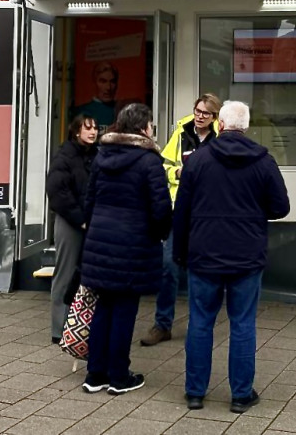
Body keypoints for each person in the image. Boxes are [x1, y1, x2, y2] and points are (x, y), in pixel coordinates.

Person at [173, 100, 290, 413]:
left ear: (219, 125)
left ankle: (195, 392)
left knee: (200, 322)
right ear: (246, 127)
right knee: (242, 324)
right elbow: (281, 207)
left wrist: (180, 253)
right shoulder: (263, 161)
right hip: (246, 256)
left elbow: (181, 212)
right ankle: (240, 395)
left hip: (203, 254)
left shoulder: (197, 161)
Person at [79, 103, 172, 395]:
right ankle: (119, 376)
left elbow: (90, 202)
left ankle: (95, 374)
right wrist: (160, 235)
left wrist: (94, 232)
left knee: (104, 306)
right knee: (124, 310)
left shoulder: (102, 156)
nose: (152, 129)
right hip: (133, 245)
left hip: (100, 243)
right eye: (151, 125)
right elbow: (160, 210)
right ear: (143, 128)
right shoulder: (149, 161)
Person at [140, 93, 222, 347]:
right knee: (168, 266)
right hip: (180, 210)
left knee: (203, 269)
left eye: (205, 113)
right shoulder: (182, 131)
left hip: (208, 212)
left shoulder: (222, 137)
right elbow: (161, 166)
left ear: (215, 116)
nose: (199, 117)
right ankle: (162, 324)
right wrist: (177, 172)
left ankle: (200, 324)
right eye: (197, 111)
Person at [45, 113, 98, 344]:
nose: (93, 132)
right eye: (88, 128)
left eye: (95, 127)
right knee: (65, 274)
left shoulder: (97, 154)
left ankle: (82, 325)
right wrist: (80, 218)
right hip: (70, 222)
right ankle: (59, 329)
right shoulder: (65, 156)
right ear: (77, 131)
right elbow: (58, 192)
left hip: (91, 221)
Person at [72, 62, 121, 129]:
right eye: (103, 81)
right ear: (95, 83)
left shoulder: (123, 111)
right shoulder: (81, 111)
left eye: (112, 82)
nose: (108, 87)